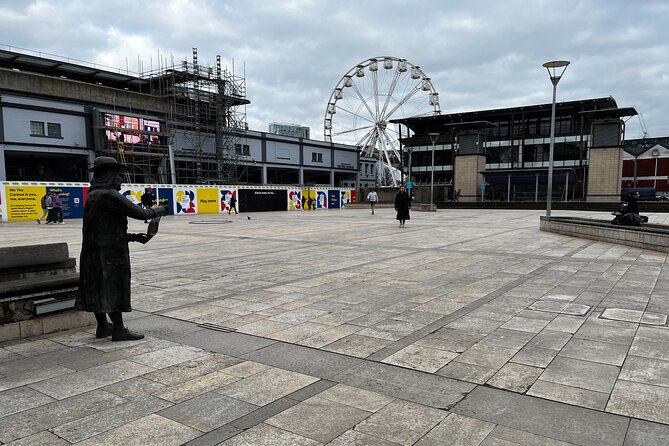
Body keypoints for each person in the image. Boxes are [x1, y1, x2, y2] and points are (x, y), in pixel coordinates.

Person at [76, 156, 168, 341]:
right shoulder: (110, 195)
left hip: (92, 252)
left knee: (96, 286)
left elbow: (102, 228)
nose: (121, 179)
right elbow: (141, 213)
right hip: (111, 254)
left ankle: (103, 326)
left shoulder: (93, 195)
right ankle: (118, 329)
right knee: (113, 287)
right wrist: (161, 209)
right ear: (109, 175)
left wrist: (131, 237)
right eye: (118, 175)